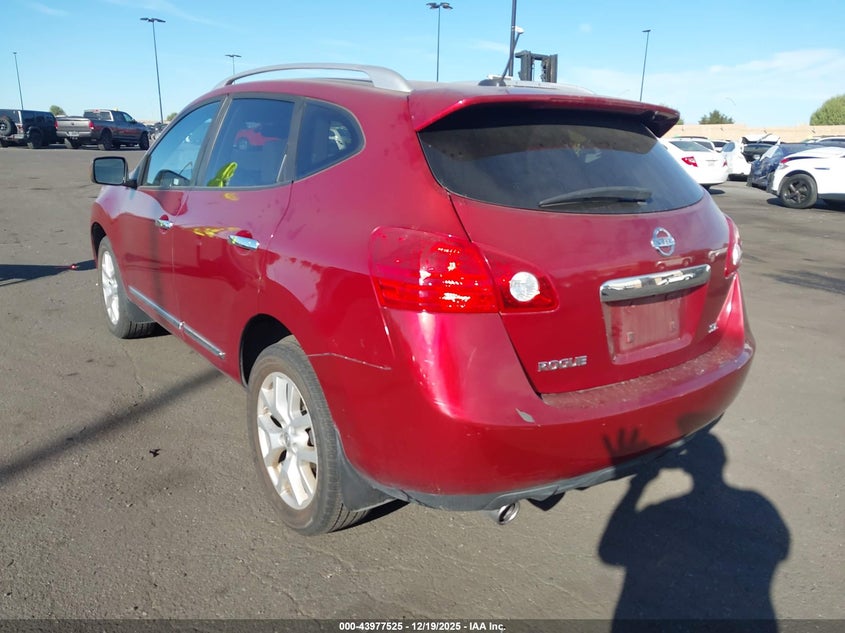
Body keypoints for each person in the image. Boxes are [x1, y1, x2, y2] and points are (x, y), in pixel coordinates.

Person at [599, 431, 790, 632]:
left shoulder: (661, 512)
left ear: (684, 467)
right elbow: (780, 550)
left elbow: (609, 552)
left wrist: (639, 484)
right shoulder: (756, 504)